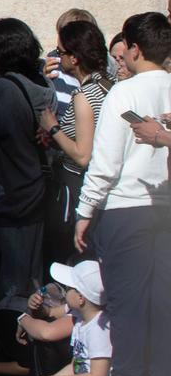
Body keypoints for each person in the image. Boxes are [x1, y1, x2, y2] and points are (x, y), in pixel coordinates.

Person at [75, 11, 171, 376]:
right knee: (163, 302)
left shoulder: (123, 93)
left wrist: (84, 211)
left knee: (127, 305)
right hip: (164, 208)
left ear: (134, 49)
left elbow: (105, 163)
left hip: (125, 209)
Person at [0, 18, 56, 312]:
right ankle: (34, 343)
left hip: (8, 194)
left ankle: (12, 346)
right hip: (35, 189)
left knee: (9, 285)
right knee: (32, 278)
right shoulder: (44, 85)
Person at [39, 18, 113, 266]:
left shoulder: (84, 95)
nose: (57, 58)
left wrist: (54, 127)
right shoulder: (108, 86)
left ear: (75, 58)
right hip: (97, 188)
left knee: (67, 258)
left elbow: (83, 155)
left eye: (60, 53)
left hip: (76, 186)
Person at [13, 260, 111, 376]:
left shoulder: (98, 329)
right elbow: (76, 365)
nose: (66, 291)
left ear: (81, 298)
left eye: (70, 288)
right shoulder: (81, 321)